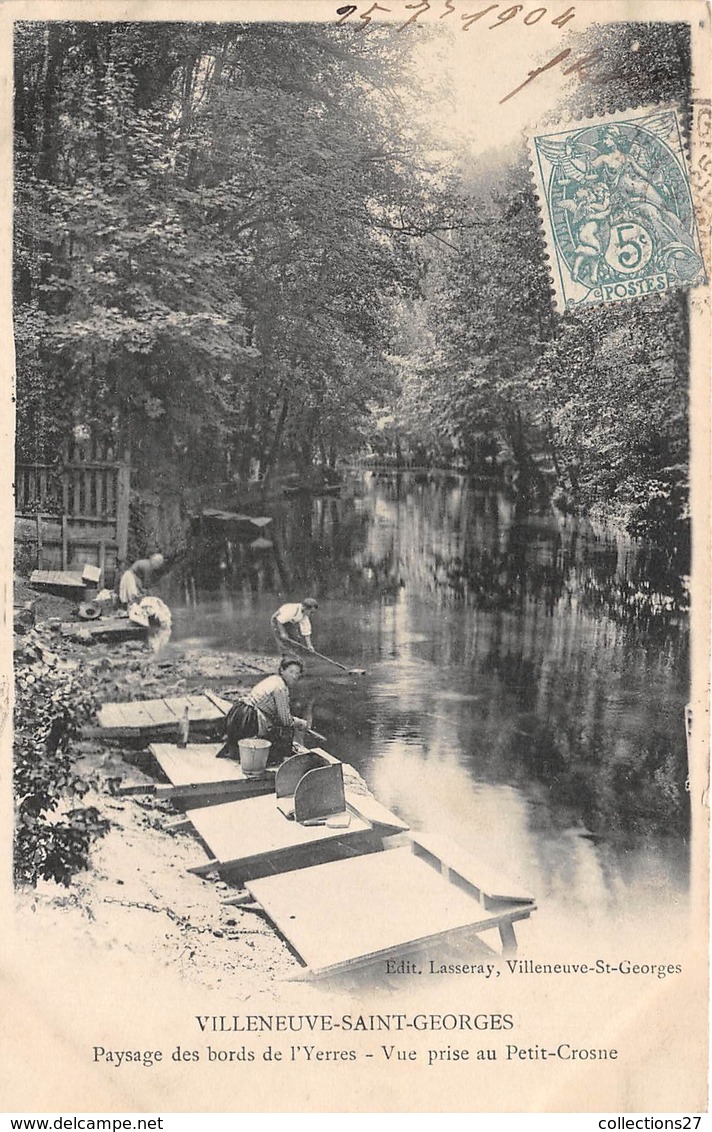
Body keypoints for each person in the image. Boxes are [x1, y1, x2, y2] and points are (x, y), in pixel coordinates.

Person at [217, 657, 308, 761]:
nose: (294, 676)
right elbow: (286, 720)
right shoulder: (281, 688)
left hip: (237, 713)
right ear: (282, 670)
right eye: (291, 672)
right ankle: (280, 759)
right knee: (286, 730)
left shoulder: (273, 679)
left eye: (297, 673)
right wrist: (300, 723)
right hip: (248, 718)